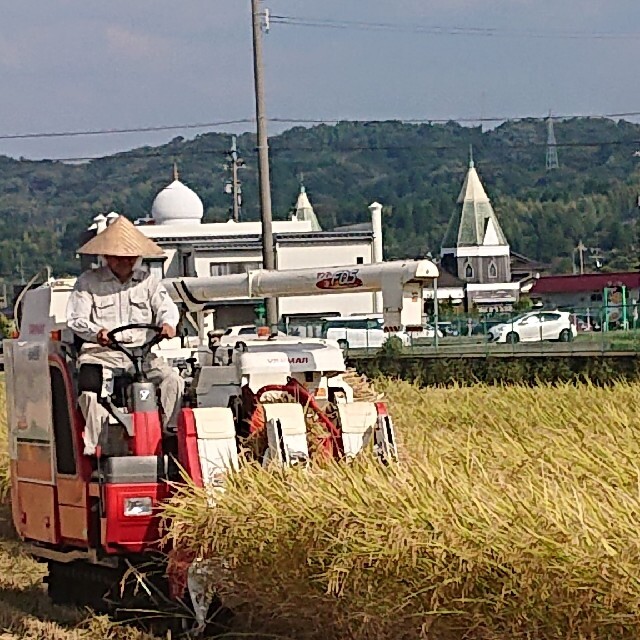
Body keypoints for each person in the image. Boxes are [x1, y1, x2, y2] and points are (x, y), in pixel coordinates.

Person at [66, 215, 185, 455]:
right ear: (107, 256)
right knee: (91, 390)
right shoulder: (88, 282)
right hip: (101, 354)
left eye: (131, 257)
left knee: (174, 380)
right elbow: (75, 320)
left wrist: (168, 324)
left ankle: (169, 433)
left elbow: (167, 308)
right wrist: (96, 332)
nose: (126, 261)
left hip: (140, 353)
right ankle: (96, 447)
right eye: (120, 256)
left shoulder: (148, 282)